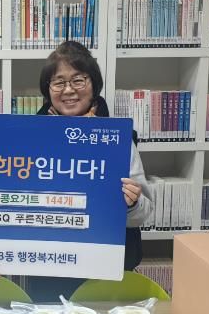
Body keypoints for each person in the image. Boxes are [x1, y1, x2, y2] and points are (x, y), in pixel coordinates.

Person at [27, 40, 153, 300]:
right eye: (58, 82)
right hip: (47, 270)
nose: (68, 90)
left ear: (93, 84)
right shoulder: (28, 138)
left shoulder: (117, 140)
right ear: (47, 89)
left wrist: (131, 204)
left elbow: (143, 213)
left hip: (104, 271)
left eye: (78, 80)